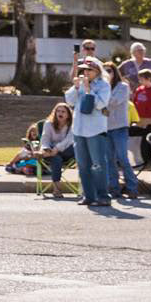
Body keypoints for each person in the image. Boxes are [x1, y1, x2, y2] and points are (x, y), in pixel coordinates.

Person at [66, 60, 112, 208]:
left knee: (98, 165)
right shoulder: (79, 83)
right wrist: (76, 87)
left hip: (95, 130)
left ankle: (103, 196)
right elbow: (69, 101)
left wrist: (88, 90)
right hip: (79, 129)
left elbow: (100, 104)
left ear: (97, 71)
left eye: (89, 70)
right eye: (84, 70)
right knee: (83, 165)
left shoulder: (104, 85)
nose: (85, 73)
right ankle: (88, 195)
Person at [104, 60, 138, 198]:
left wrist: (101, 103)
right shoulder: (103, 87)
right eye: (104, 71)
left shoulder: (123, 86)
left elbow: (112, 102)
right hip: (105, 129)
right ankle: (114, 189)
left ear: (115, 72)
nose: (106, 73)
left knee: (122, 158)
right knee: (109, 160)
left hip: (120, 128)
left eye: (109, 70)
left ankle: (132, 188)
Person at [32, 102, 75, 196]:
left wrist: (56, 149)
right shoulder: (48, 124)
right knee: (56, 158)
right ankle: (57, 190)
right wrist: (46, 148)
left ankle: (42, 155)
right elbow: (45, 139)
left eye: (63, 111)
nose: (60, 113)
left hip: (67, 151)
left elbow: (69, 140)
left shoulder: (73, 124)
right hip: (51, 152)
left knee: (73, 146)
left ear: (68, 115)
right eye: (58, 111)